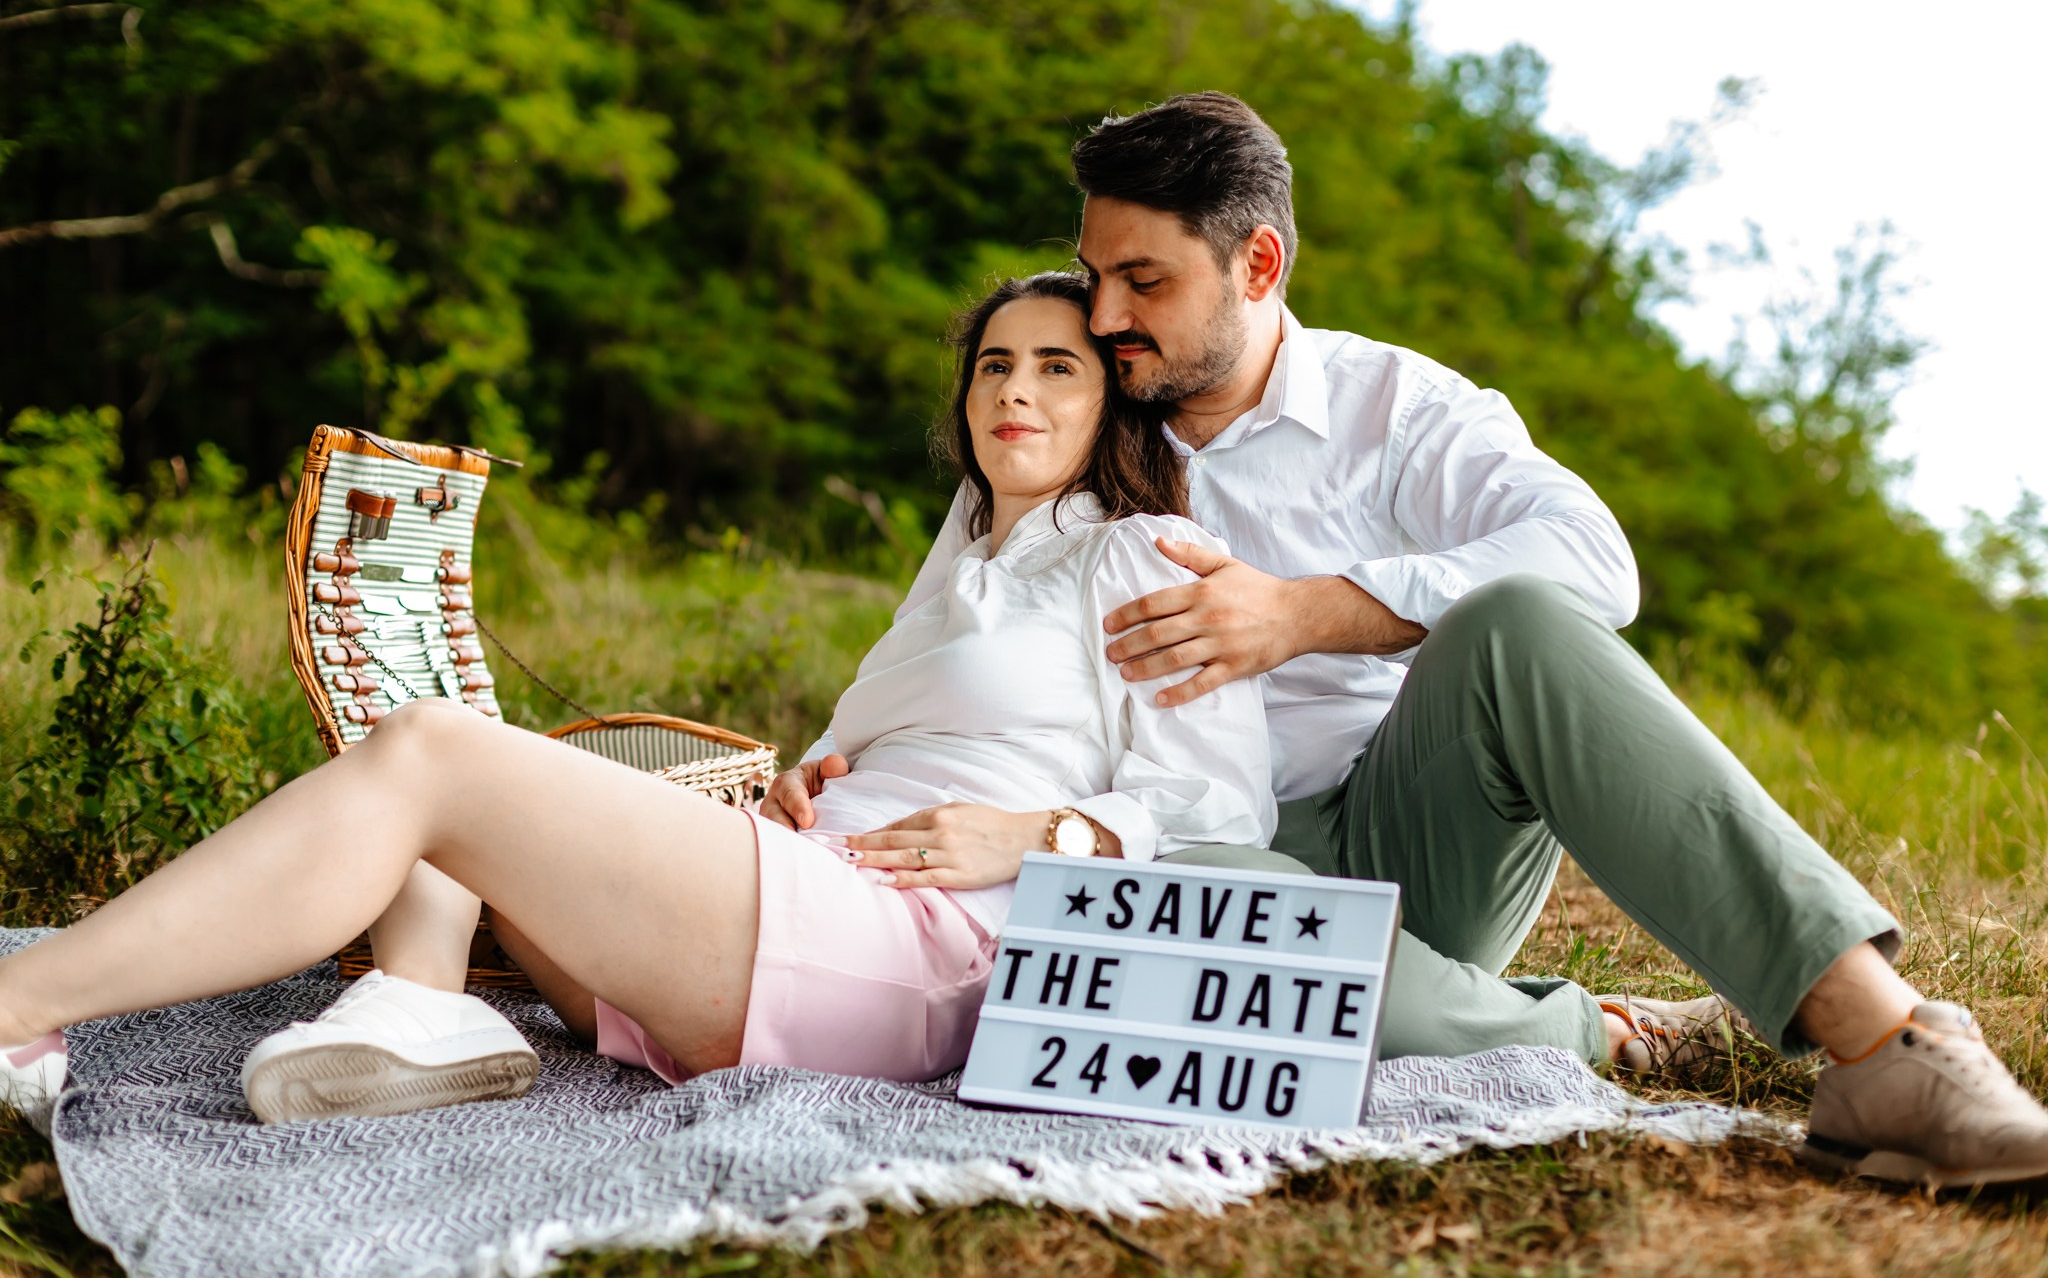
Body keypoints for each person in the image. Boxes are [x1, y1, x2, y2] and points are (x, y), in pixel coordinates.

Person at [777, 93, 2048, 1188]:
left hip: (1403, 834)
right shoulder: (1064, 414)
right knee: (1199, 921)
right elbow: (942, 626)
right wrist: (837, 760)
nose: (1102, 316)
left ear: (1258, 267)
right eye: (1093, 275)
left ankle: (1886, 1049)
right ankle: (1579, 1032)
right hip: (1175, 862)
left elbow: (1594, 560)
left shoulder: (1397, 409)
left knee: (1517, 618)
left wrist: (1304, 610)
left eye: (1144, 283)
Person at [0, 271, 1276, 1125]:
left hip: (918, 954)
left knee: (438, 753)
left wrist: (1044, 835)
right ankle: (430, 1013)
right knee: (446, 774)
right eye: (994, 363)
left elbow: (1221, 808)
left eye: (1057, 368)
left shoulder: (1139, 555)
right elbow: (888, 738)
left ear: (1112, 395)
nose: (1014, 390)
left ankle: (23, 1010)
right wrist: (810, 778)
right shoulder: (965, 558)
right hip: (790, 914)